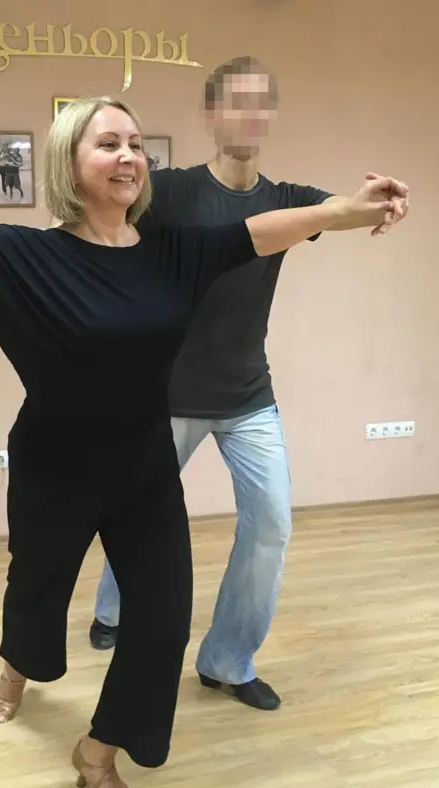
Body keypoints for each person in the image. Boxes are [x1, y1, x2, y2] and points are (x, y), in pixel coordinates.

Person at [0, 96, 405, 788]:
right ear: (67, 163)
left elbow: (263, 230)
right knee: (39, 583)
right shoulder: (28, 258)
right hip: (55, 462)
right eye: (107, 143)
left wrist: (347, 211)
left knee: (162, 622)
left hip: (144, 464)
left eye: (136, 144)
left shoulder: (173, 252)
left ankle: (98, 753)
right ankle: (19, 666)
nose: (128, 156)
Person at [89, 57, 410, 712]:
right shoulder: (172, 191)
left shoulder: (284, 200)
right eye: (235, 102)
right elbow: (103, 211)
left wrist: (379, 201)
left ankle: (228, 661)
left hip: (247, 398)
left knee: (270, 525)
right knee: (135, 514)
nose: (249, 113)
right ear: (211, 114)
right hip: (168, 393)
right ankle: (112, 608)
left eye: (261, 102)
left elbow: (340, 210)